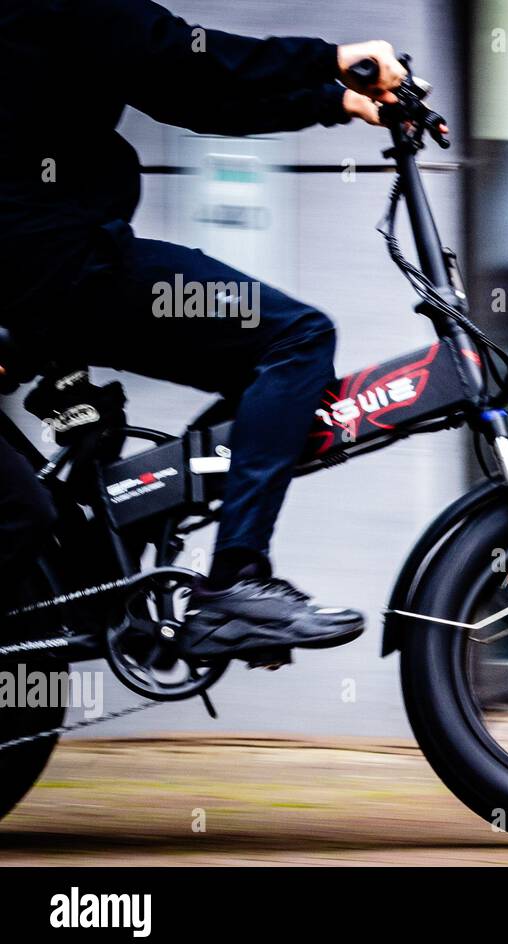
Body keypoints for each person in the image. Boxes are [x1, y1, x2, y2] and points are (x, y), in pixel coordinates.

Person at [0, 0, 408, 658]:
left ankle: (115, 582)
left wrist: (338, 100)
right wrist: (328, 59)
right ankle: (233, 586)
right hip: (57, 266)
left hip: (53, 265)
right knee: (295, 341)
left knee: (270, 370)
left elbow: (196, 98)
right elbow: (187, 56)